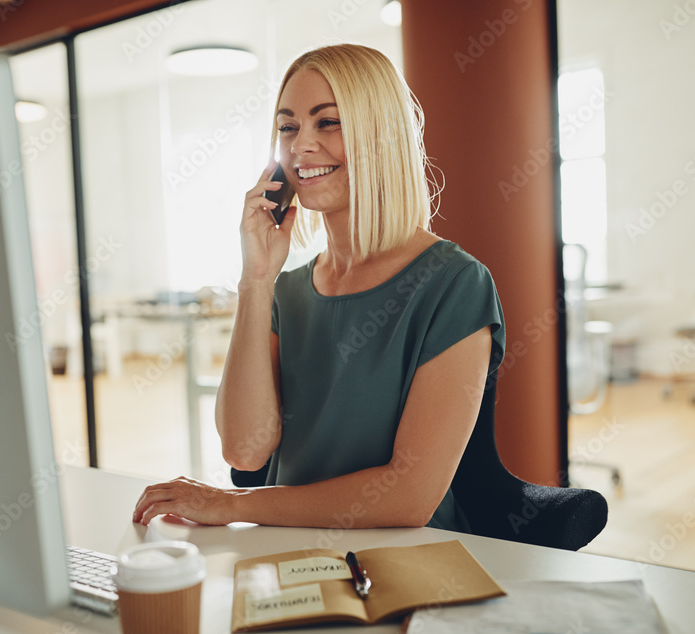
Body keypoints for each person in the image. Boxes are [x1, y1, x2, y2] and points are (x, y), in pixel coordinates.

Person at [133, 43, 505, 532]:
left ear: (381, 137)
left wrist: (231, 506)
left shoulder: (455, 284)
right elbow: (245, 450)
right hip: (282, 557)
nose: (299, 146)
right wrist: (256, 279)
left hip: (399, 565)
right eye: (288, 127)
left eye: (326, 122)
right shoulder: (284, 292)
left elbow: (410, 496)